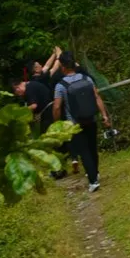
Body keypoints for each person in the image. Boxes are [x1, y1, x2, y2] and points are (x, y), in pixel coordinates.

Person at [51, 51, 111, 193]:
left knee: (84, 151)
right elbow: (97, 97)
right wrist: (104, 115)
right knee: (92, 148)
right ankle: (94, 173)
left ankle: (93, 180)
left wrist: (57, 123)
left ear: (63, 67)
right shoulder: (87, 79)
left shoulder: (60, 86)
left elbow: (57, 107)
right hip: (91, 118)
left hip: (75, 124)